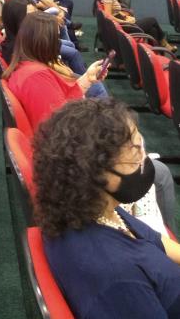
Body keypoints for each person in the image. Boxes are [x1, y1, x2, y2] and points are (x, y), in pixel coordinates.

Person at [34, 97, 180, 318]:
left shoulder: (93, 208)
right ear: (96, 173)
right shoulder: (118, 278)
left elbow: (154, 240)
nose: (144, 159)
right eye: (136, 153)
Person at [4, 13, 107, 132]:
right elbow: (58, 126)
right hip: (65, 137)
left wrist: (88, 78)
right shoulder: (36, 78)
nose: (58, 43)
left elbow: (61, 103)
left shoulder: (27, 67)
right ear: (46, 42)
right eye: (56, 38)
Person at [1, 0, 86, 74]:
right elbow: (29, 35)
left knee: (70, 45)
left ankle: (71, 71)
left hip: (24, 44)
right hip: (22, 50)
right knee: (73, 54)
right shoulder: (22, 3)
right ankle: (79, 78)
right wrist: (54, 64)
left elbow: (34, 21)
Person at [94, 0, 174, 50]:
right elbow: (108, 17)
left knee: (153, 30)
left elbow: (113, 11)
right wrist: (123, 21)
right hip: (122, 28)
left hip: (121, 24)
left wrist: (123, 15)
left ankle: (155, 50)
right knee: (152, 20)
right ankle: (164, 43)